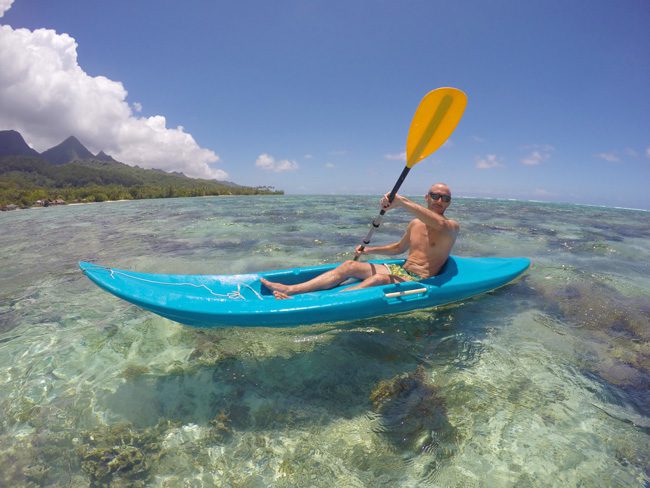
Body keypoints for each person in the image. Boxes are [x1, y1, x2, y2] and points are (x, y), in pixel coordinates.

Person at [261, 183, 459, 299]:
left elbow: (439, 224)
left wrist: (402, 202)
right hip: (401, 270)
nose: (439, 201)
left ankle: (330, 301)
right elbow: (399, 248)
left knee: (379, 279)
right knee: (349, 265)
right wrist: (369, 251)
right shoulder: (415, 223)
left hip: (420, 278)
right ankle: (290, 289)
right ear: (427, 197)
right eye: (435, 196)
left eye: (445, 198)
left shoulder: (451, 227)